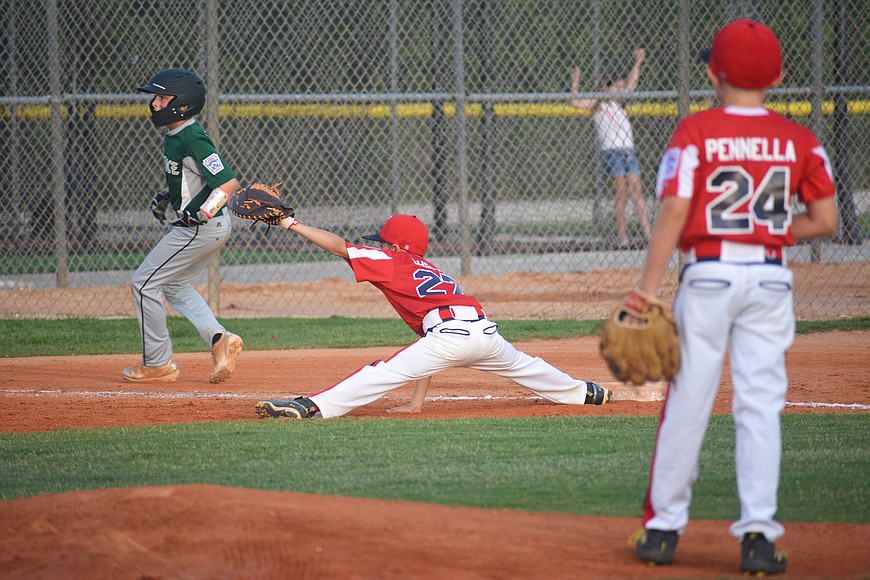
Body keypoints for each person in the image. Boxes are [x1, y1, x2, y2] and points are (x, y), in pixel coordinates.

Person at [627, 20, 837, 576]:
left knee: (689, 399)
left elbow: (674, 209)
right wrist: (770, 232)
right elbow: (826, 220)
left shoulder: (695, 132)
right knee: (761, 404)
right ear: (780, 75)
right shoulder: (800, 140)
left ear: (713, 73)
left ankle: (663, 530)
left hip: (710, 275)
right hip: (769, 279)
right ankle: (759, 539)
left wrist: (646, 290)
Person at [255, 214, 610, 419]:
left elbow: (340, 247)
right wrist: (416, 403)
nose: (377, 247)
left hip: (450, 333)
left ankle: (311, 407)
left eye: (383, 243)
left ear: (395, 248)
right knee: (526, 366)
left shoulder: (393, 261)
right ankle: (586, 393)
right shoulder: (436, 271)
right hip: (484, 332)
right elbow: (430, 343)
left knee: (383, 373)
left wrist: (291, 222)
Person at [122, 68, 243, 384]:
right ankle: (219, 339)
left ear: (183, 104)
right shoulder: (176, 136)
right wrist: (168, 194)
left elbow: (227, 183)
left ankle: (157, 363)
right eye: (156, 97)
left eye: (162, 98)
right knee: (174, 286)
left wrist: (202, 212)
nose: (155, 104)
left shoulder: (192, 136)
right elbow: (194, 179)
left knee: (144, 282)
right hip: (205, 227)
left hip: (201, 228)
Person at [570, 49, 652, 247]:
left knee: (636, 190)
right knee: (622, 191)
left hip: (627, 150)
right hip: (612, 152)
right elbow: (575, 102)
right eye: (616, 86)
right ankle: (622, 236)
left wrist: (637, 63)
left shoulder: (619, 104)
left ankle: (648, 234)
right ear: (605, 88)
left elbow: (632, 84)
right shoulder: (598, 104)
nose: (621, 89)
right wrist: (575, 81)